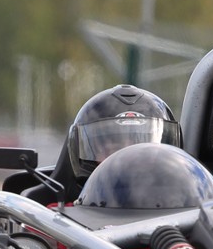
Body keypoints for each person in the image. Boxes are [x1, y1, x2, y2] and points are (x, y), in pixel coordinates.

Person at [34, 85, 183, 204]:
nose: (127, 155)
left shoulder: (190, 208)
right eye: (112, 147)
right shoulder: (54, 219)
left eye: (141, 146)